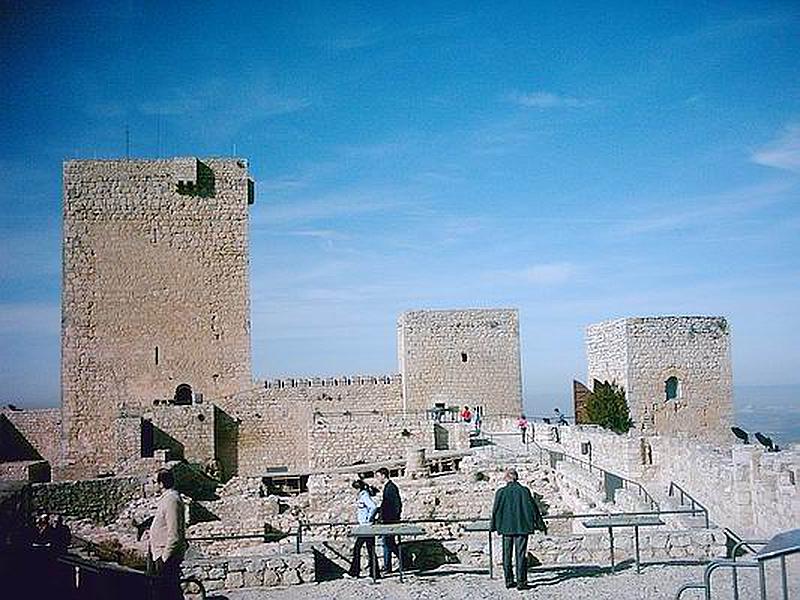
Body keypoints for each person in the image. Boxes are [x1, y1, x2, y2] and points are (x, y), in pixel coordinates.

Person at [491, 469, 547, 590]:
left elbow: (495, 510)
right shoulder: (524, 491)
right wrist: (540, 525)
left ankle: (509, 581)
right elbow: (533, 509)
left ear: (507, 478)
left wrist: (493, 526)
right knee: (520, 555)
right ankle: (521, 582)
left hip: (506, 528)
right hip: (522, 528)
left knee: (506, 555)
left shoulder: (500, 492)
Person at [148, 468, 186, 600]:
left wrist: (164, 558)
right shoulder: (166, 499)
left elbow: (174, 534)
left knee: (169, 594)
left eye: (154, 482)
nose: (152, 485)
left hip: (166, 557)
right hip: (160, 555)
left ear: (161, 484)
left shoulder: (171, 500)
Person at [347, 479, 380, 579]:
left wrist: (368, 518)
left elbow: (373, 507)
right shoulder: (362, 495)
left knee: (358, 548)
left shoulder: (364, 496)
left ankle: (354, 572)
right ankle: (374, 573)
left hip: (366, 527)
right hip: (365, 527)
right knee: (370, 549)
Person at [375, 467, 402, 573]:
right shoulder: (388, 487)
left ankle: (390, 565)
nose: (377, 478)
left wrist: (393, 518)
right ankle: (390, 565)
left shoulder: (391, 487)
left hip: (390, 520)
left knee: (388, 543)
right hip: (388, 520)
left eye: (378, 476)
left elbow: (396, 505)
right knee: (388, 543)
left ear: (383, 475)